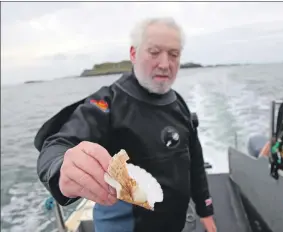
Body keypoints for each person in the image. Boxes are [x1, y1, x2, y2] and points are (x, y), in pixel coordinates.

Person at [35, 17, 217, 232]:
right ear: (133, 54)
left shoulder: (179, 103)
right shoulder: (107, 103)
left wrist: (205, 211)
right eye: (154, 52)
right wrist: (62, 166)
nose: (165, 64)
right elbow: (57, 145)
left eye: (174, 54)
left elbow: (194, 160)